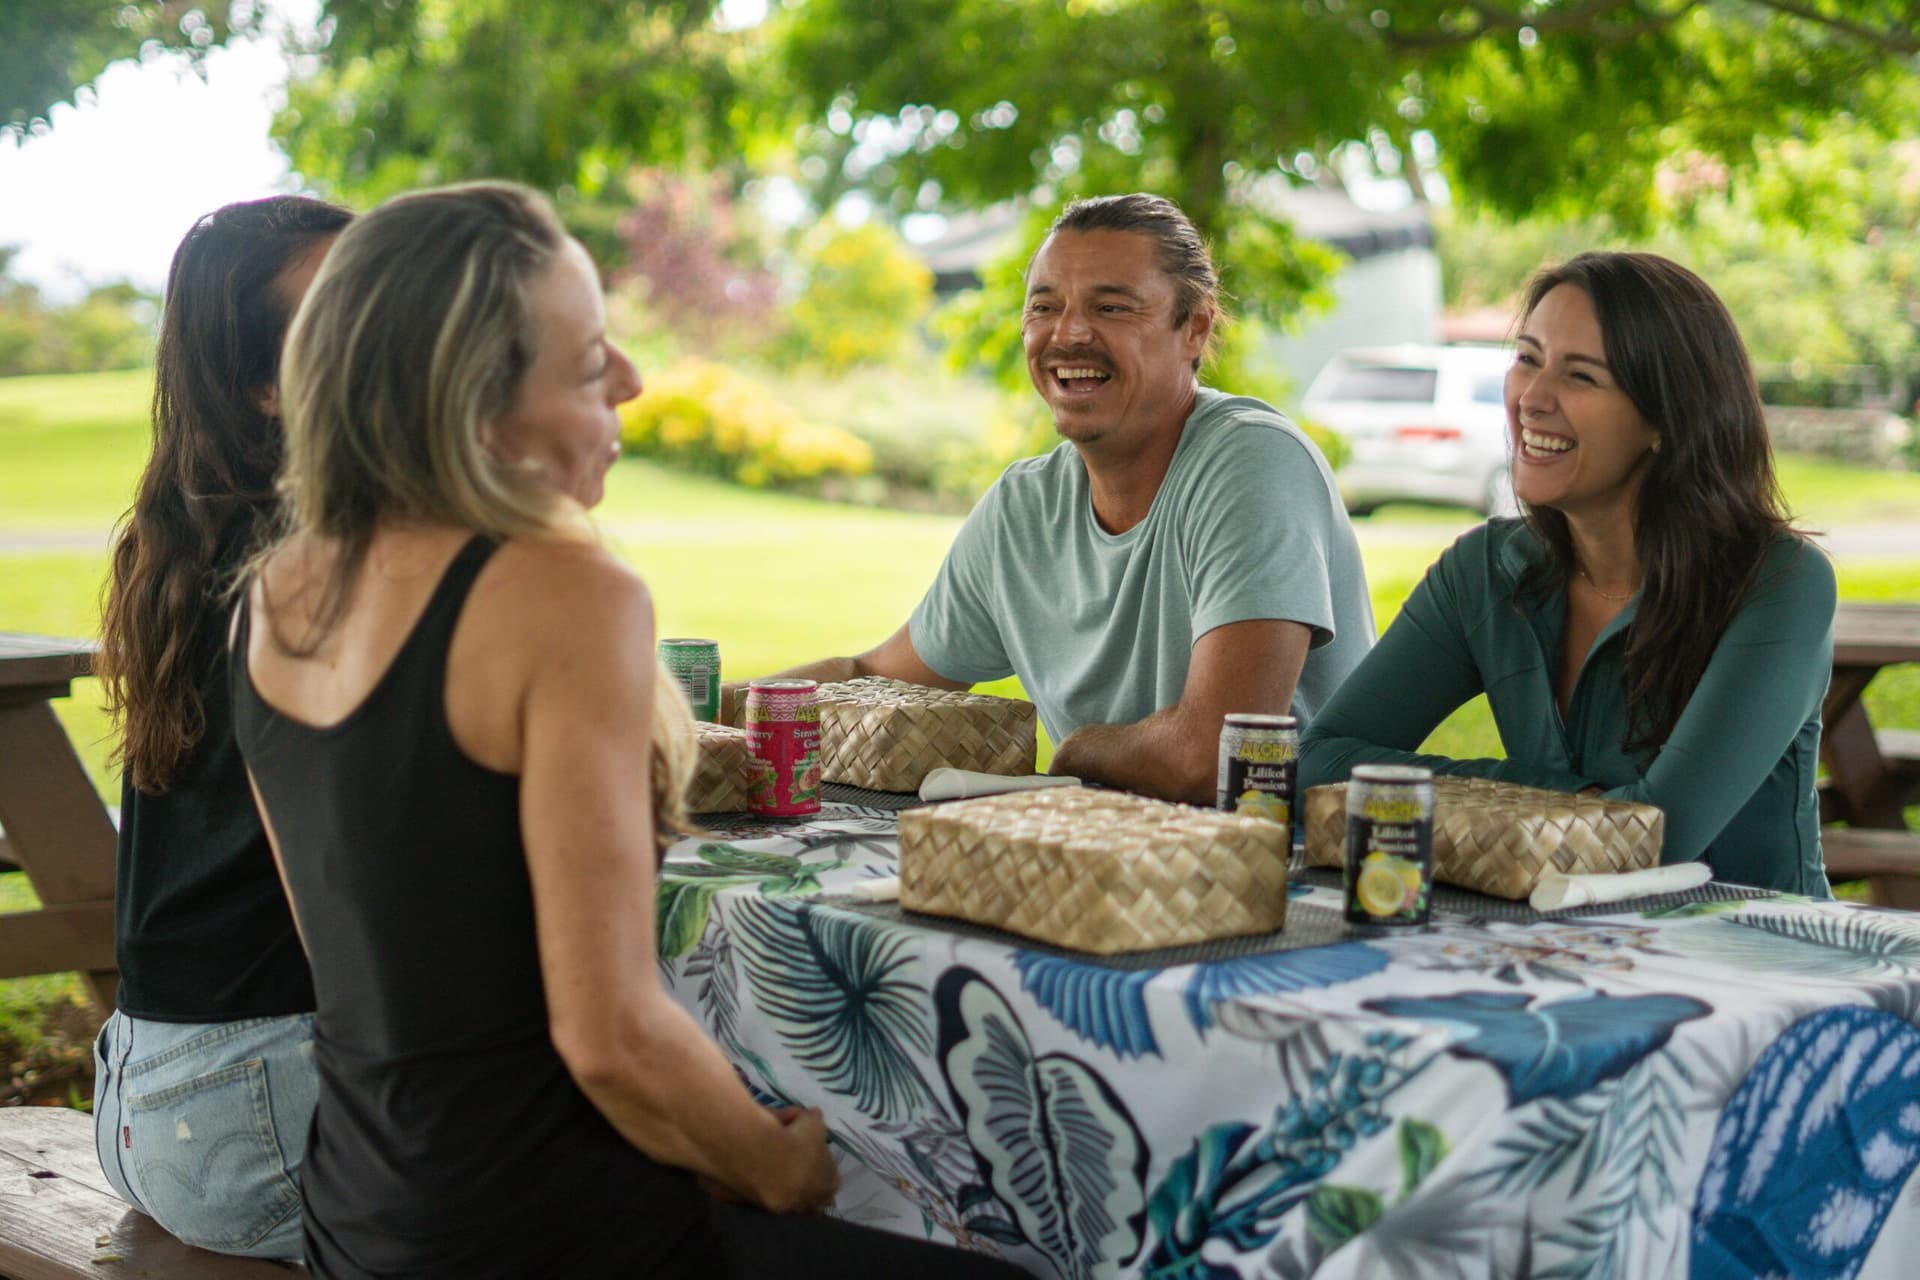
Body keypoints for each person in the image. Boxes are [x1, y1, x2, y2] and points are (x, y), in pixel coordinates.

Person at [229, 181, 1027, 1279]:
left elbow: (375, 970)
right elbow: (611, 1036)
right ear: (479, 407)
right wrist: (771, 1166)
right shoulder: (564, 593)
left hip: (362, 1214)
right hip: (542, 1228)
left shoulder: (276, 594)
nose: (634, 382)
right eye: (589, 358)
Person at [738, 193, 1373, 804]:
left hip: (1295, 877)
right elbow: (874, 680)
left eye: (1112, 308)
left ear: (1195, 328)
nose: (1068, 335)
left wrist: (1076, 752)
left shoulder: (1252, 462)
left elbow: (1207, 761)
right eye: (1044, 307)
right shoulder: (1025, 508)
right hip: (1109, 864)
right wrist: (702, 707)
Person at [1299, 251, 1834, 894]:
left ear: (1665, 421)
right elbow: (1319, 762)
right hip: (1549, 952)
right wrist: (1570, 797)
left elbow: (1659, 835)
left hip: (1760, 963)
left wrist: (1499, 805)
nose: (1533, 398)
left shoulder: (1780, 582)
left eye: (1580, 376)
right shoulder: (1485, 572)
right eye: (1527, 359)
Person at [91, 195, 351, 1262]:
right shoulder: (315, 562)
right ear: (262, 389)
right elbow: (350, 900)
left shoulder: (200, 533)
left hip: (149, 1092)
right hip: (255, 1107)